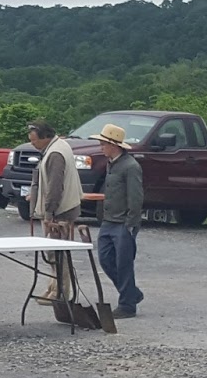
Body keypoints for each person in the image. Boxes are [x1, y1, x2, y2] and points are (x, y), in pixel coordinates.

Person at [90, 123, 145, 318]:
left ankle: (127, 305)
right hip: (108, 220)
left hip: (122, 222)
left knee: (123, 263)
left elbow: (136, 197)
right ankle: (131, 293)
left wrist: (131, 223)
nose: (100, 147)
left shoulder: (130, 166)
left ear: (114, 144)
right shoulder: (111, 163)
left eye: (103, 143)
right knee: (106, 259)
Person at [27, 119, 82, 300]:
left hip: (61, 210)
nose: (32, 143)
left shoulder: (55, 154)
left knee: (58, 253)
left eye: (35, 140)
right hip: (62, 208)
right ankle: (53, 287)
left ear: (45, 138)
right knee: (52, 252)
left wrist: (49, 213)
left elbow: (55, 186)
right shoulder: (56, 147)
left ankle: (61, 292)